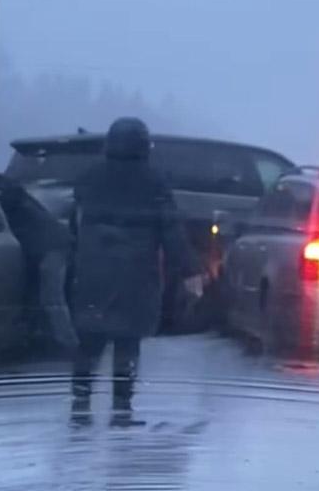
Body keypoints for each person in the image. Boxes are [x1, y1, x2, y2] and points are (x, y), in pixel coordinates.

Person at [67, 117, 204, 427]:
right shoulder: (153, 181)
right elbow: (171, 230)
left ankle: (80, 403)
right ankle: (121, 409)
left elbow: (74, 222)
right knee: (127, 341)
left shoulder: (89, 177)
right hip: (135, 274)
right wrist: (189, 270)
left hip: (93, 272)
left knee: (90, 338)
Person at [0, 159, 80, 352]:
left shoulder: (7, 197)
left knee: (51, 297)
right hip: (51, 245)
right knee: (45, 296)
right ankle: (49, 338)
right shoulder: (9, 195)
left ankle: (70, 344)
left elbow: (11, 191)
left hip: (51, 247)